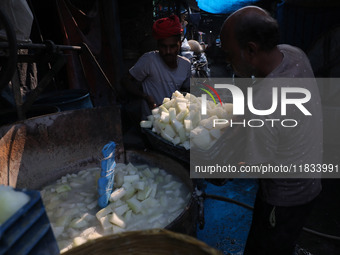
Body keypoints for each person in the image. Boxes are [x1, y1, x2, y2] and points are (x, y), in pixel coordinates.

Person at [220, 6, 323, 255]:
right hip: (312, 182)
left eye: (230, 55)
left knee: (265, 248)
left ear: (252, 50)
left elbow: (256, 164)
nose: (229, 63)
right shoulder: (292, 54)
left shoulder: (266, 103)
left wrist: (221, 170)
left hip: (285, 198)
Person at [122, 14, 191, 120]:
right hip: (152, 121)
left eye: (172, 46)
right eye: (164, 46)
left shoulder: (186, 65)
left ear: (180, 44)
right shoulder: (149, 60)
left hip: (174, 121)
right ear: (158, 46)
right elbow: (125, 81)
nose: (168, 52)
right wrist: (144, 96)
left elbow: (186, 91)